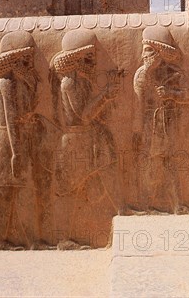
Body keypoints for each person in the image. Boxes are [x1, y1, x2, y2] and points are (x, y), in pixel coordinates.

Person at [51, 29, 119, 248]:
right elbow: (85, 114)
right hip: (75, 141)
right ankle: (63, 238)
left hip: (89, 139)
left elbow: (95, 113)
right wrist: (105, 95)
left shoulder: (84, 81)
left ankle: (106, 230)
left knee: (95, 184)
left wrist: (109, 97)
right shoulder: (69, 83)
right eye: (88, 57)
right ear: (76, 58)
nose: (93, 61)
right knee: (72, 190)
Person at [133, 25, 189, 214]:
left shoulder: (173, 73)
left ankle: (176, 205)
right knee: (151, 165)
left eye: (149, 50)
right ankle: (148, 205)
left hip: (168, 125)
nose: (144, 55)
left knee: (170, 164)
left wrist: (171, 94)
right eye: (144, 50)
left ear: (159, 51)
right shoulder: (141, 74)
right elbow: (140, 100)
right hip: (149, 127)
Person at [0, 30, 39, 250]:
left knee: (19, 189)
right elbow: (11, 120)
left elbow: (29, 108)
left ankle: (23, 237)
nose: (30, 62)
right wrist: (17, 152)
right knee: (6, 190)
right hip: (9, 141)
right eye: (26, 58)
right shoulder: (7, 83)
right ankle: (1, 240)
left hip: (19, 139)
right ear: (15, 59)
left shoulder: (21, 81)